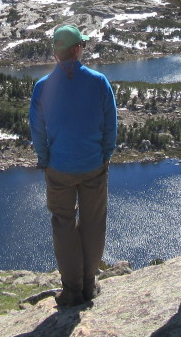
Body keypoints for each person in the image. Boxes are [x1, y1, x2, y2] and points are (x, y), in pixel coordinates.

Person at [29, 24, 118, 307]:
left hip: (59, 168)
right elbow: (110, 125)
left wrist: (44, 159)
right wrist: (105, 155)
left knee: (63, 224)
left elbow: (37, 130)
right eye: (83, 46)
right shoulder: (99, 81)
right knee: (93, 223)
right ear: (77, 49)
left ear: (56, 53)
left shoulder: (42, 86)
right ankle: (89, 285)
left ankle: (71, 291)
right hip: (93, 165)